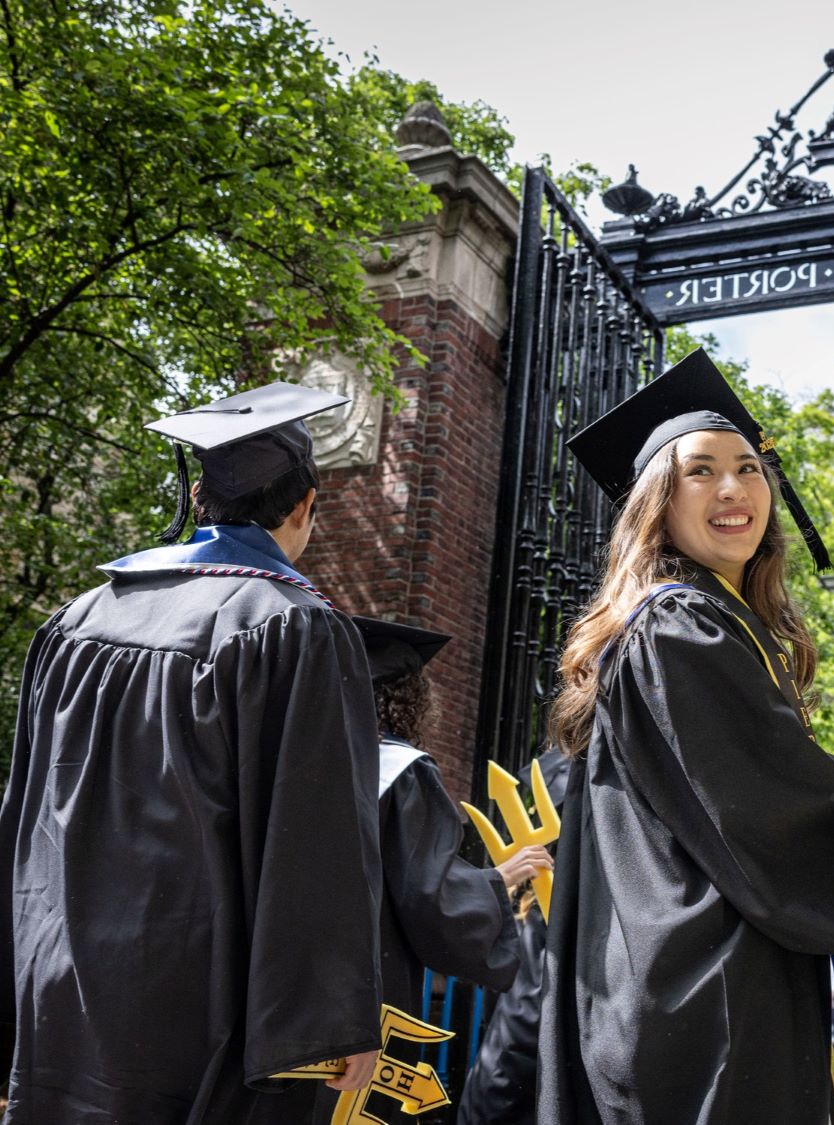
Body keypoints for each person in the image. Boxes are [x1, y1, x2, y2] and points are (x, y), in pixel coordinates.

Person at [537, 350, 834, 1124]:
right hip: (706, 1003)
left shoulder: (704, 621)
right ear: (656, 500)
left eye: (750, 467)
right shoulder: (676, 622)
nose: (734, 488)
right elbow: (765, 809)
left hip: (703, 990)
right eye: (700, 471)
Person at [0, 383, 386, 1122]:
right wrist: (333, 1019)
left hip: (58, 991)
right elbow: (318, 837)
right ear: (304, 505)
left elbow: (24, 815)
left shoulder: (77, 618)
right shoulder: (293, 627)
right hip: (194, 1008)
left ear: (199, 499)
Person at [292, 617, 533, 1121]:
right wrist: (497, 882)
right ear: (411, 698)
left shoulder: (292, 765)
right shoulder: (400, 773)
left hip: (279, 994)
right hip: (358, 1000)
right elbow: (428, 893)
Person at [456, 749, 570, 1125]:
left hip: (514, 1085)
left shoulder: (541, 905)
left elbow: (517, 1020)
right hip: (525, 1084)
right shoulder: (539, 903)